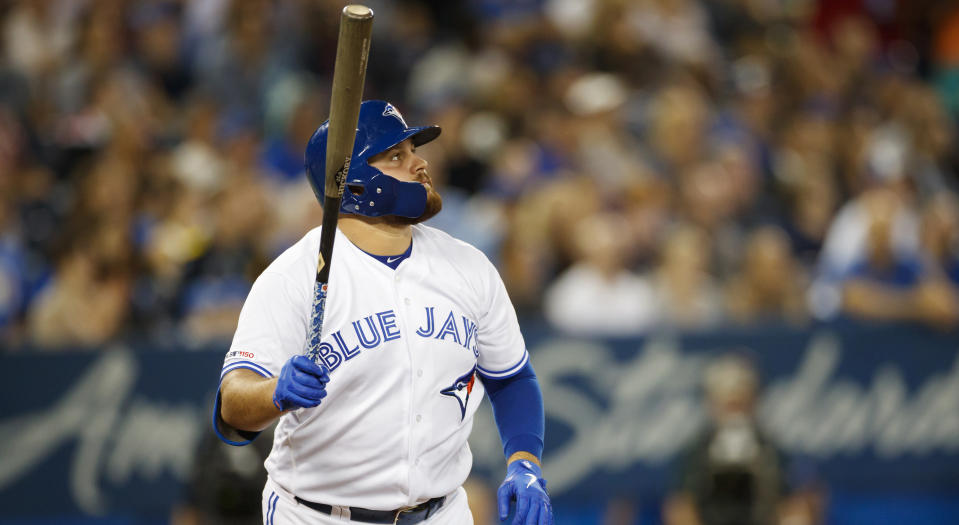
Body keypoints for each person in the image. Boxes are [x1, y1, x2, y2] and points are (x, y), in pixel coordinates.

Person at [213, 100, 552, 525]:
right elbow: (232, 407)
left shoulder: (469, 266)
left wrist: (524, 462)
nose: (419, 162)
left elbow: (512, 378)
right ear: (351, 180)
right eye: (397, 156)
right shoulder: (293, 275)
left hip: (440, 512)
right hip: (318, 516)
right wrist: (273, 392)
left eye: (413, 150)